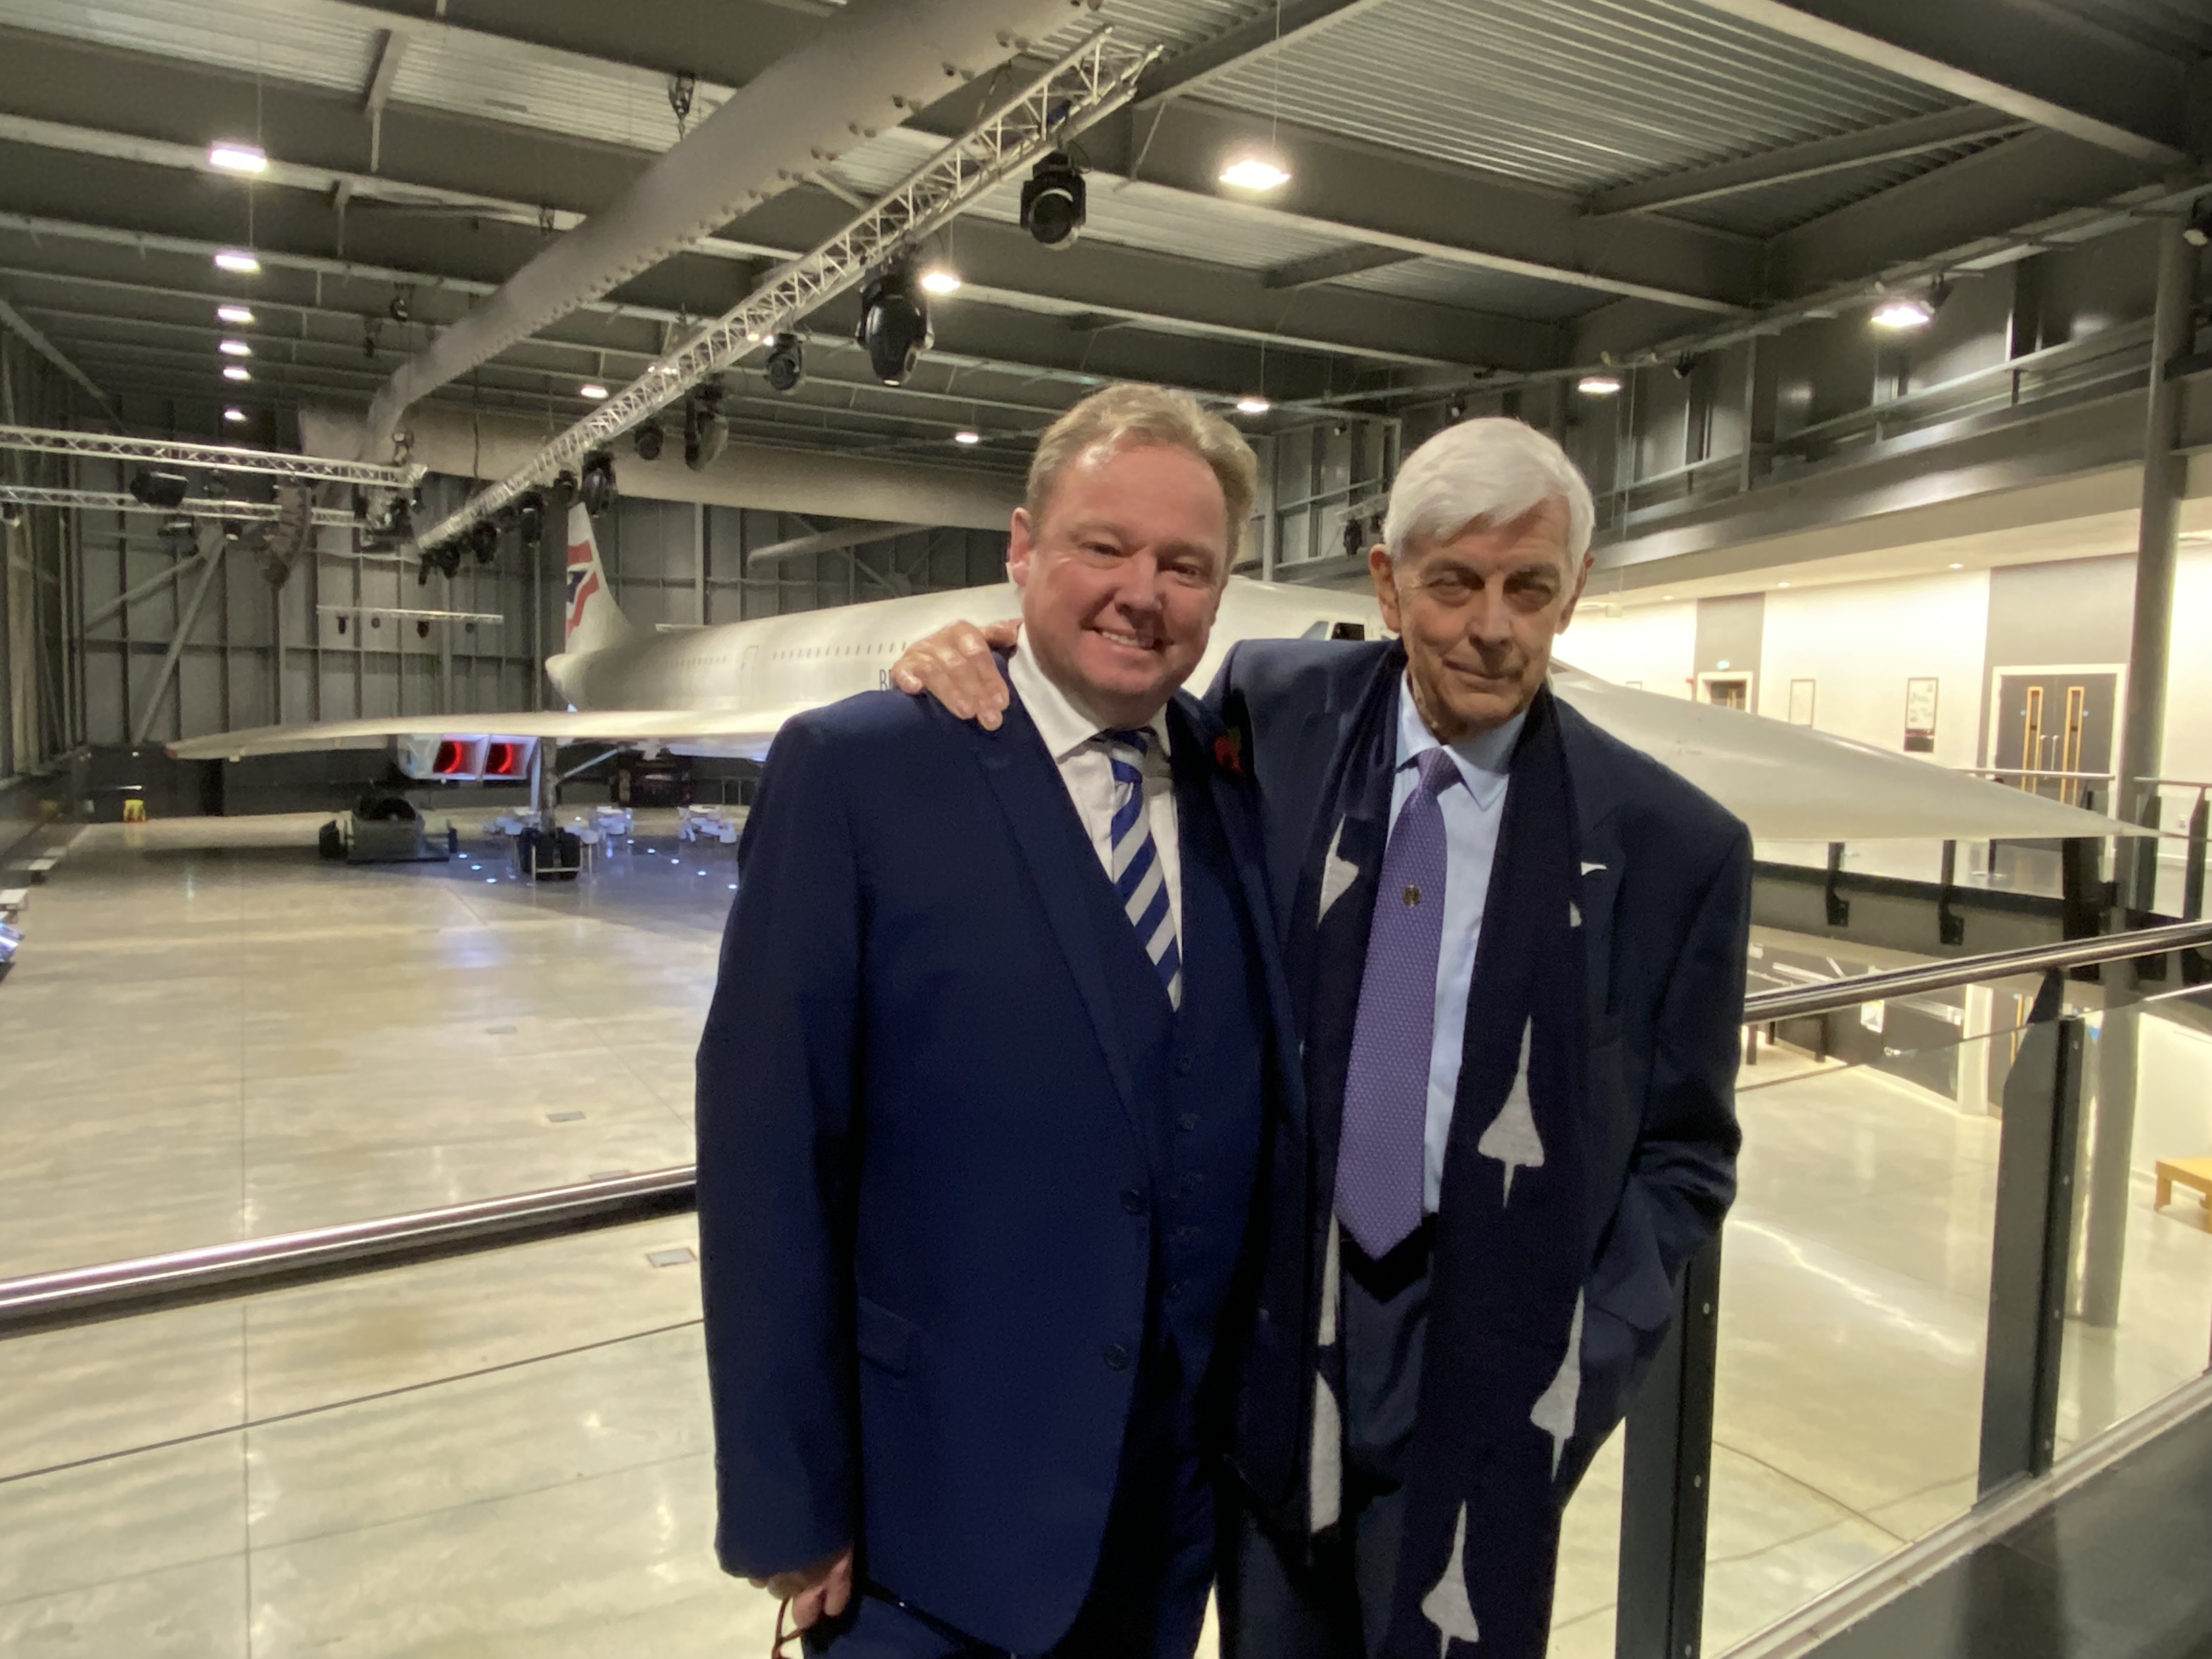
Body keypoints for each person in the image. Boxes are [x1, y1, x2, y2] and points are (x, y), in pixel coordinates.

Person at [891, 416, 1751, 1658]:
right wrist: (971, 657)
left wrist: (1584, 1363)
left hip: (1491, 1353)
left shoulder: (1675, 847)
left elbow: (1686, 1154)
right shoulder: (1277, 710)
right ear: (1387, 585)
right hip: (1281, 1345)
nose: (1492, 628)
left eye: (1530, 589)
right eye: (1453, 584)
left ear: (1574, 595)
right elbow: (1103, 707)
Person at [695, 383, 1302, 1659]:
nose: (1143, 592)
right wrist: (787, 1501)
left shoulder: (1247, 786)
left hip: (1167, 1525)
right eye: (1103, 546)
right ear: (1021, 548)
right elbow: (767, 1151)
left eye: (1186, 565)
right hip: (928, 1530)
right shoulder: (860, 771)